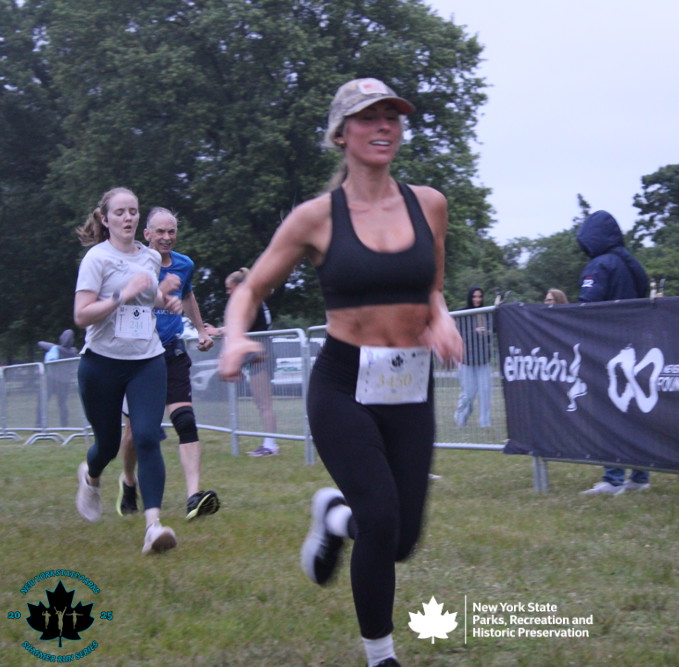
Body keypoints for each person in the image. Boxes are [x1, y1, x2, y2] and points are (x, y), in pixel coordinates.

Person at [218, 77, 462, 667]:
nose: (383, 126)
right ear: (340, 134)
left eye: (392, 117)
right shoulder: (315, 219)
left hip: (410, 384)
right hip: (343, 385)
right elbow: (251, 287)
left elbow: (432, 288)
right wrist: (235, 335)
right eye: (368, 117)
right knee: (380, 516)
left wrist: (442, 319)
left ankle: (335, 514)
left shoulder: (429, 204)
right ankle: (381, 655)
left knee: (400, 538)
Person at [72, 186, 182, 554]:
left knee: (147, 436)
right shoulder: (97, 259)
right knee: (106, 445)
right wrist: (122, 294)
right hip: (101, 363)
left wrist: (167, 298)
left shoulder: (150, 257)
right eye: (120, 212)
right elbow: (81, 314)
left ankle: (153, 527)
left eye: (133, 211)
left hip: (146, 360)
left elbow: (150, 299)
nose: (128, 217)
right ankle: (91, 476)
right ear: (105, 219)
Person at [117, 207, 221, 521]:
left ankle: (194, 498)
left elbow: (188, 296)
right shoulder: (132, 263)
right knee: (136, 434)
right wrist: (159, 292)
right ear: (146, 234)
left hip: (172, 350)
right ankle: (129, 482)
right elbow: (122, 302)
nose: (166, 237)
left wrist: (201, 330)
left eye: (171, 231)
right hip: (138, 355)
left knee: (185, 421)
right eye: (160, 231)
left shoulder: (184, 264)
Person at [576, 209, 653, 496]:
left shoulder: (600, 265)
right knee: (635, 413)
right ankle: (640, 476)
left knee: (610, 412)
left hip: (607, 348)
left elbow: (587, 305)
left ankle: (613, 478)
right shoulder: (633, 265)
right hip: (636, 346)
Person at [204, 267, 279, 456]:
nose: (228, 293)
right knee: (261, 403)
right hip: (258, 355)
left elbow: (237, 326)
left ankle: (270, 445)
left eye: (229, 288)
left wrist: (216, 331)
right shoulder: (254, 300)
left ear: (239, 286)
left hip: (261, 356)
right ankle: (268, 443)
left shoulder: (251, 301)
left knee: (264, 403)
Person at [453, 286, 493, 428]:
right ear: (470, 297)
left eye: (480, 296)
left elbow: (490, 335)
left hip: (483, 360)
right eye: (474, 296)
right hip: (466, 361)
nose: (477, 299)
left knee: (485, 391)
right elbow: (459, 334)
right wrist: (474, 331)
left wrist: (486, 333)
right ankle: (460, 418)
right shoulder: (462, 313)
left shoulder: (486, 313)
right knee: (468, 394)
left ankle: (484, 423)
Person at [37, 329, 78, 427]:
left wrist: (54, 346)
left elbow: (40, 343)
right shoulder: (73, 351)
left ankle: (39, 424)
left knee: (42, 402)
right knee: (62, 404)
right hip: (65, 381)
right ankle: (64, 425)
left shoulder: (55, 348)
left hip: (51, 380)